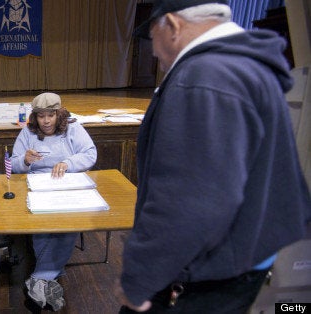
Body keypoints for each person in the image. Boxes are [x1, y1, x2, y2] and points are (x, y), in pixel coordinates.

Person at [116, 1, 311, 313]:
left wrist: (139, 279)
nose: (153, 53)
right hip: (244, 254)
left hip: (208, 272)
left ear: (173, 25)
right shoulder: (245, 65)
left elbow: (189, 200)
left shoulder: (204, 76)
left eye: (153, 38)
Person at [11, 92, 97, 311]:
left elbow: (89, 154)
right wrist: (25, 160)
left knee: (68, 223)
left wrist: (68, 163)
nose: (46, 121)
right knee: (43, 225)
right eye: (41, 116)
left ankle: (40, 278)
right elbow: (13, 164)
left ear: (60, 114)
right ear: (35, 117)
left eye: (51, 115)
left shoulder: (73, 128)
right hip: (37, 185)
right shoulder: (27, 132)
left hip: (67, 182)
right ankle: (47, 277)